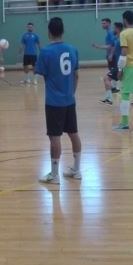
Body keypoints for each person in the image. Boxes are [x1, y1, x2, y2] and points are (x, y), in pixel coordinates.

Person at [35, 17, 82, 184]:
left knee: (55, 137)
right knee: (73, 133)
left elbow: (41, 73)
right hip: (70, 100)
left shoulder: (46, 52)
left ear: (49, 32)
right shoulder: (73, 49)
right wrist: (71, 93)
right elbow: (76, 75)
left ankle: (54, 175)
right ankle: (76, 170)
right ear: (63, 31)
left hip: (54, 102)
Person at [92, 18, 119, 94]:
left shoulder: (110, 33)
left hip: (112, 56)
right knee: (112, 70)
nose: (102, 25)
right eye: (102, 23)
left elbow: (111, 46)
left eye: (104, 23)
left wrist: (98, 46)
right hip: (110, 55)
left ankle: (116, 87)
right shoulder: (109, 33)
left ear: (108, 24)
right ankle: (114, 87)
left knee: (113, 71)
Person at [99, 22, 123, 106]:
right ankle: (110, 95)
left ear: (118, 29)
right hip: (119, 63)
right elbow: (111, 46)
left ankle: (109, 99)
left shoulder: (122, 38)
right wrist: (99, 47)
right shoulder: (116, 38)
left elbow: (113, 47)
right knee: (127, 81)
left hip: (121, 64)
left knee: (106, 78)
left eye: (115, 28)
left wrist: (111, 55)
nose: (114, 29)